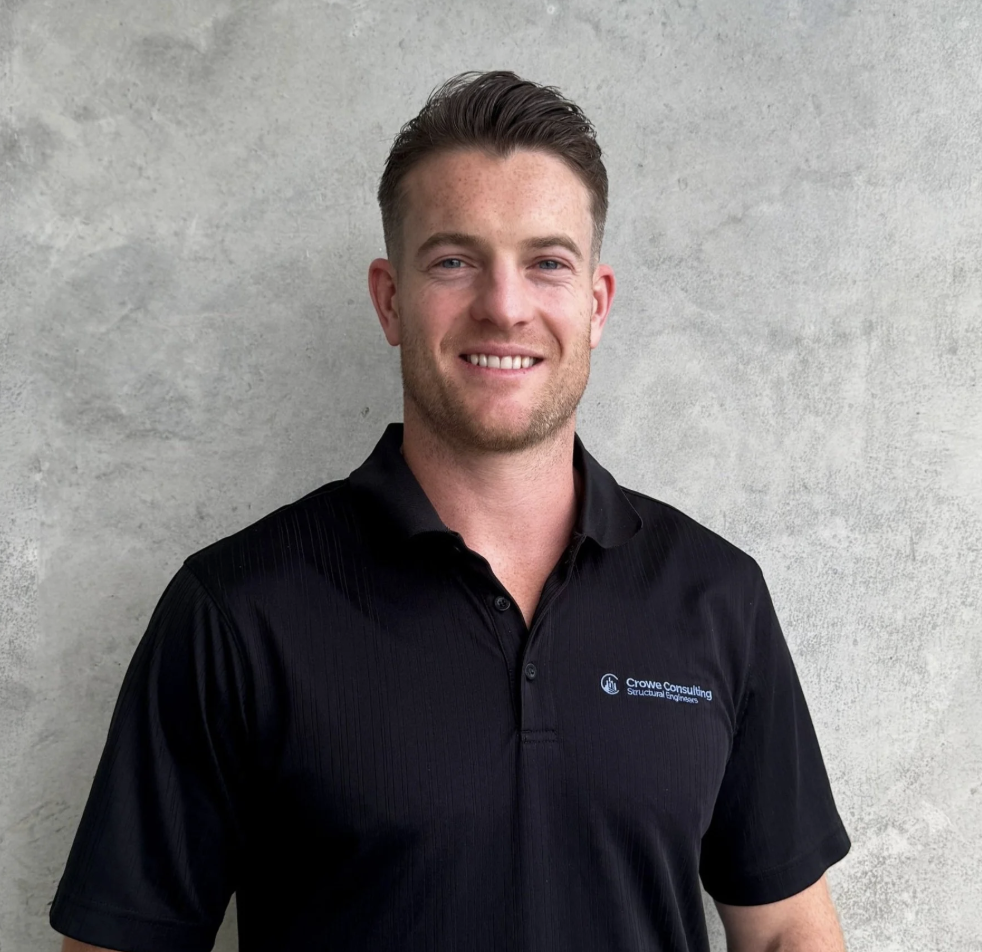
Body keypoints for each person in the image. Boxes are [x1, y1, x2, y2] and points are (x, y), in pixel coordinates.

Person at [51, 70, 851, 952]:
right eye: (454, 262)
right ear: (391, 299)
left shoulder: (715, 596)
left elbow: (786, 928)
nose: (504, 306)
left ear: (596, 304)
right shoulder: (237, 611)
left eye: (547, 263)